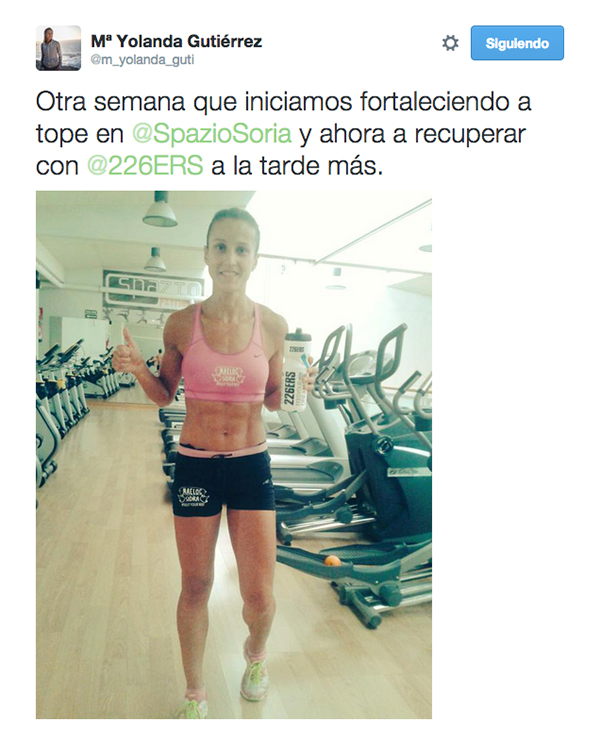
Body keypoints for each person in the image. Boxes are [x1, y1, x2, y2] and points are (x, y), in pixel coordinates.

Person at [112, 208, 316, 719]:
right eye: (220, 247)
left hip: (250, 466)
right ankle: (195, 693)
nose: (230, 259)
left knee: (259, 596)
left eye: (241, 249)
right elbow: (164, 394)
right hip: (197, 465)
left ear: (255, 259)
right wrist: (137, 369)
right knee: (196, 585)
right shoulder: (182, 323)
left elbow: (275, 399)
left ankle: (256, 656)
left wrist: (301, 386)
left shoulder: (273, 326)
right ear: (206, 254)